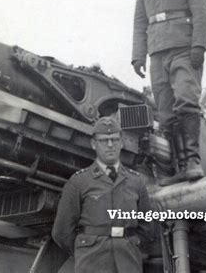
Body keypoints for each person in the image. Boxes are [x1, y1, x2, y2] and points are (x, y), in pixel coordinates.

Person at [132, 0, 206, 185]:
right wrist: (138, 56)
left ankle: (193, 162)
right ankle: (177, 169)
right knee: (165, 114)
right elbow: (139, 24)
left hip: (183, 49)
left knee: (186, 100)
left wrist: (198, 45)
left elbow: (203, 12)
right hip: (157, 54)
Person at [52, 116, 152, 273]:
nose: (110, 145)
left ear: (121, 143)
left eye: (114, 139)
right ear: (93, 144)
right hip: (92, 263)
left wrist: (132, 244)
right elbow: (61, 232)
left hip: (128, 262)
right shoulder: (79, 182)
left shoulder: (136, 182)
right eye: (104, 140)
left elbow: (147, 227)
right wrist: (84, 248)